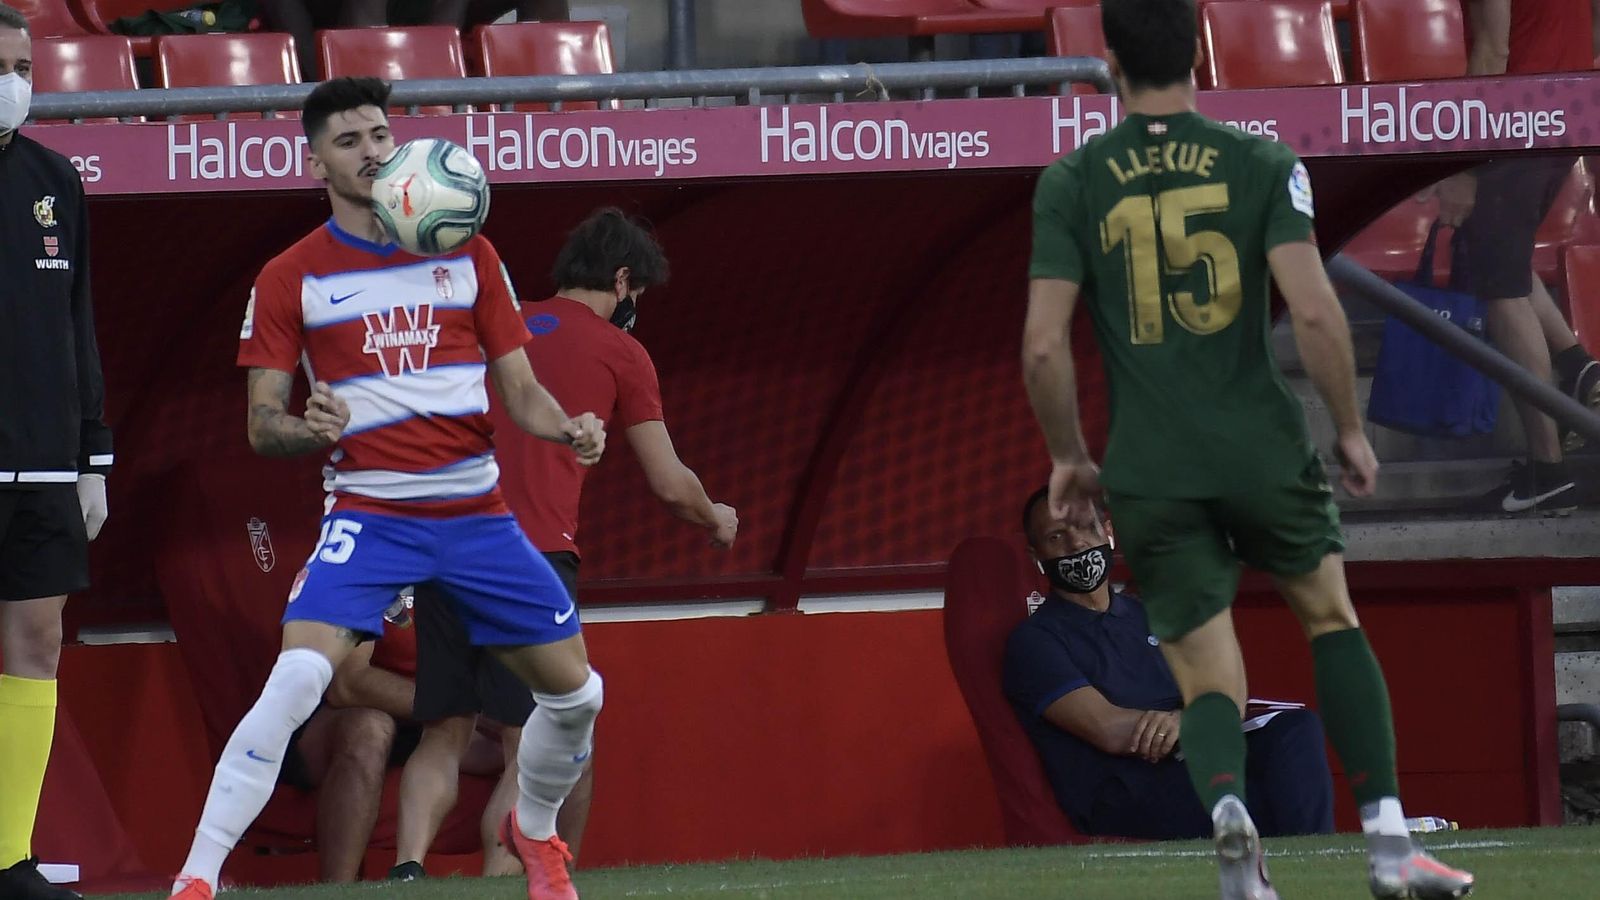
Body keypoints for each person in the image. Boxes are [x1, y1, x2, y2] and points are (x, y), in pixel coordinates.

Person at [1021, 1, 1474, 897]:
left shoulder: (1072, 180)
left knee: (1202, 660)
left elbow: (1042, 345)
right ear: (1196, 50)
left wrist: (1069, 455)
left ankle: (1231, 821)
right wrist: (1347, 428)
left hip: (1152, 464)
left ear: (1107, 59)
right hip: (1261, 446)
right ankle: (1391, 847)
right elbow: (1313, 310)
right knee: (1330, 619)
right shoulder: (1261, 160)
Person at [169, 76, 606, 900]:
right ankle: (196, 876)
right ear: (315, 162)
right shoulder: (290, 275)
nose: (370, 151)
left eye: (379, 134)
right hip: (371, 512)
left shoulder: (470, 250)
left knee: (580, 696)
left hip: (476, 513)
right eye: (348, 141)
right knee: (298, 678)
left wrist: (567, 426)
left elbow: (520, 392)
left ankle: (537, 838)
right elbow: (262, 424)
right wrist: (310, 428)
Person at [390, 207, 739, 878]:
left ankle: (407, 872)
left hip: (442, 542)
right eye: (636, 294)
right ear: (621, 278)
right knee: (533, 737)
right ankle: (500, 882)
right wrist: (715, 518)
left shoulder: (500, 326)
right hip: (530, 556)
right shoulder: (621, 352)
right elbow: (669, 483)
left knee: (444, 731)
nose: (635, 307)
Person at [1005, 488, 1335, 840]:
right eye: (1057, 536)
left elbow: (1225, 690)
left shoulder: (1152, 612)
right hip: (1127, 784)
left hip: (1192, 754)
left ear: (1108, 532)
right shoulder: (1035, 640)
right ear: (1035, 554)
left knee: (1297, 729)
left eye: (1086, 527)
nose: (1077, 543)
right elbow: (1108, 730)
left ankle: (1311, 867)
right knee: (1261, 803)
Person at [0, 5, 113, 899]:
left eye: (22, 63)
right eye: (0, 63)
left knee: (36, 642)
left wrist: (92, 457)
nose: (14, 80)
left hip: (42, 464)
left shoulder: (54, 180)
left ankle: (8, 857)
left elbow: (78, 324)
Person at [1431, 0, 1600, 512]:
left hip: (1515, 121)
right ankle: (1580, 369)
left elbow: (1493, 48)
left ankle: (1547, 470)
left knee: (1500, 291)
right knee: (1500, 258)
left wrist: (1463, 166)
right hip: (1561, 112)